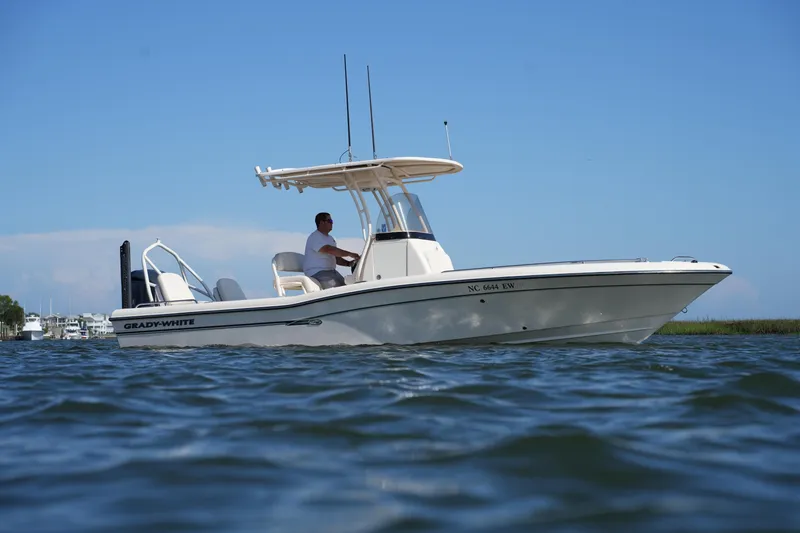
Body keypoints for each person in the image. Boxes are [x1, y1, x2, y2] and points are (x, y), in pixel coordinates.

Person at [303, 212, 360, 289]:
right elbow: (329, 249)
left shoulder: (330, 239)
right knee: (339, 290)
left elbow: (335, 257)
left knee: (347, 288)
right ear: (322, 222)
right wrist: (350, 254)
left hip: (331, 271)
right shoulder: (315, 237)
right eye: (330, 221)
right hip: (317, 272)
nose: (332, 223)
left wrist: (349, 263)